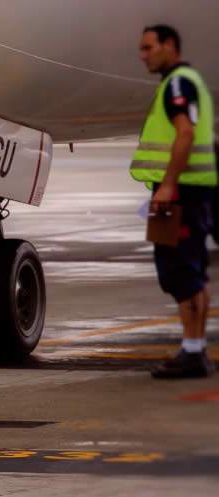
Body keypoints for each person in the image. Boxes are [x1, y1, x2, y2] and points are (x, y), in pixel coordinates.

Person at [133, 25, 216, 378]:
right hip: (193, 190)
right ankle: (195, 349)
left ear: (170, 46)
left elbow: (185, 133)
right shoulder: (188, 81)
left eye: (149, 47)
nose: (143, 54)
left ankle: (193, 351)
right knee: (192, 271)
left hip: (179, 191)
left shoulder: (178, 84)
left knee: (180, 271)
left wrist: (167, 186)